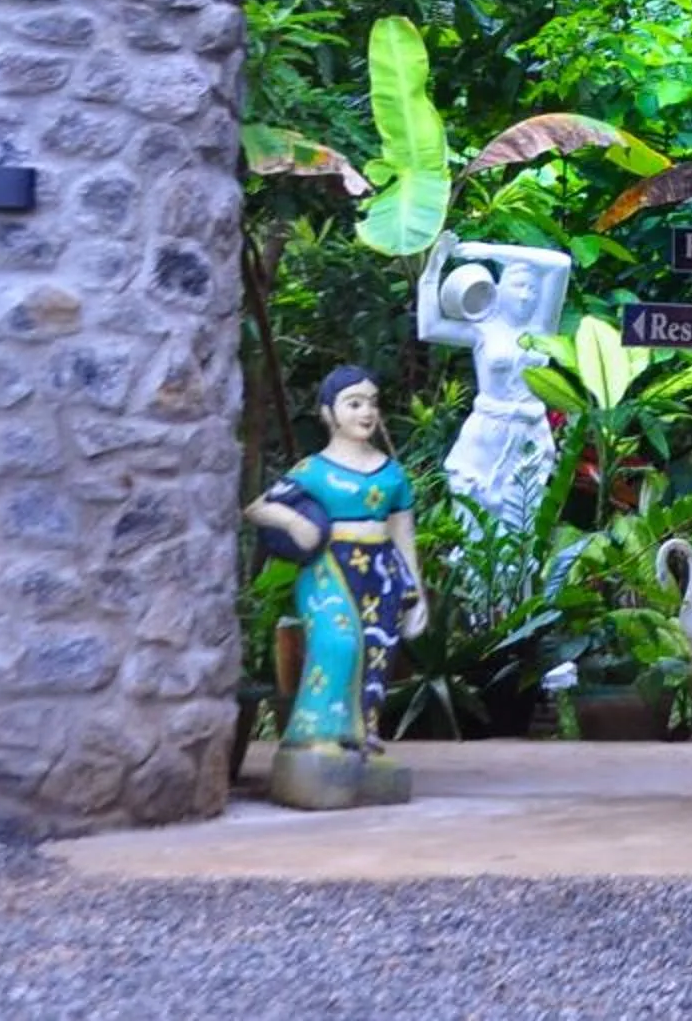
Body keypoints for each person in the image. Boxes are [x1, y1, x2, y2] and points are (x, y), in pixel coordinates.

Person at [245, 366, 426, 808]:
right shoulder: (313, 471)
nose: (366, 412)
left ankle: (360, 738)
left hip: (379, 573)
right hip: (329, 568)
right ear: (329, 413)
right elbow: (257, 507)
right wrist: (296, 524)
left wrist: (416, 592)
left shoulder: (392, 475)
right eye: (354, 403)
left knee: (375, 655)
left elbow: (403, 534)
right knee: (338, 641)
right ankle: (313, 734)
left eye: (371, 402)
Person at [418, 230, 574, 537]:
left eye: (532, 289)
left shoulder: (541, 327)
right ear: (501, 290)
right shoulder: (483, 331)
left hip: (529, 432)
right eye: (518, 287)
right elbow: (429, 328)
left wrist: (490, 251)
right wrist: (433, 269)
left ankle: (516, 585)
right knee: (476, 522)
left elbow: (559, 265)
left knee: (521, 522)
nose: (527, 295)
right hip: (487, 431)